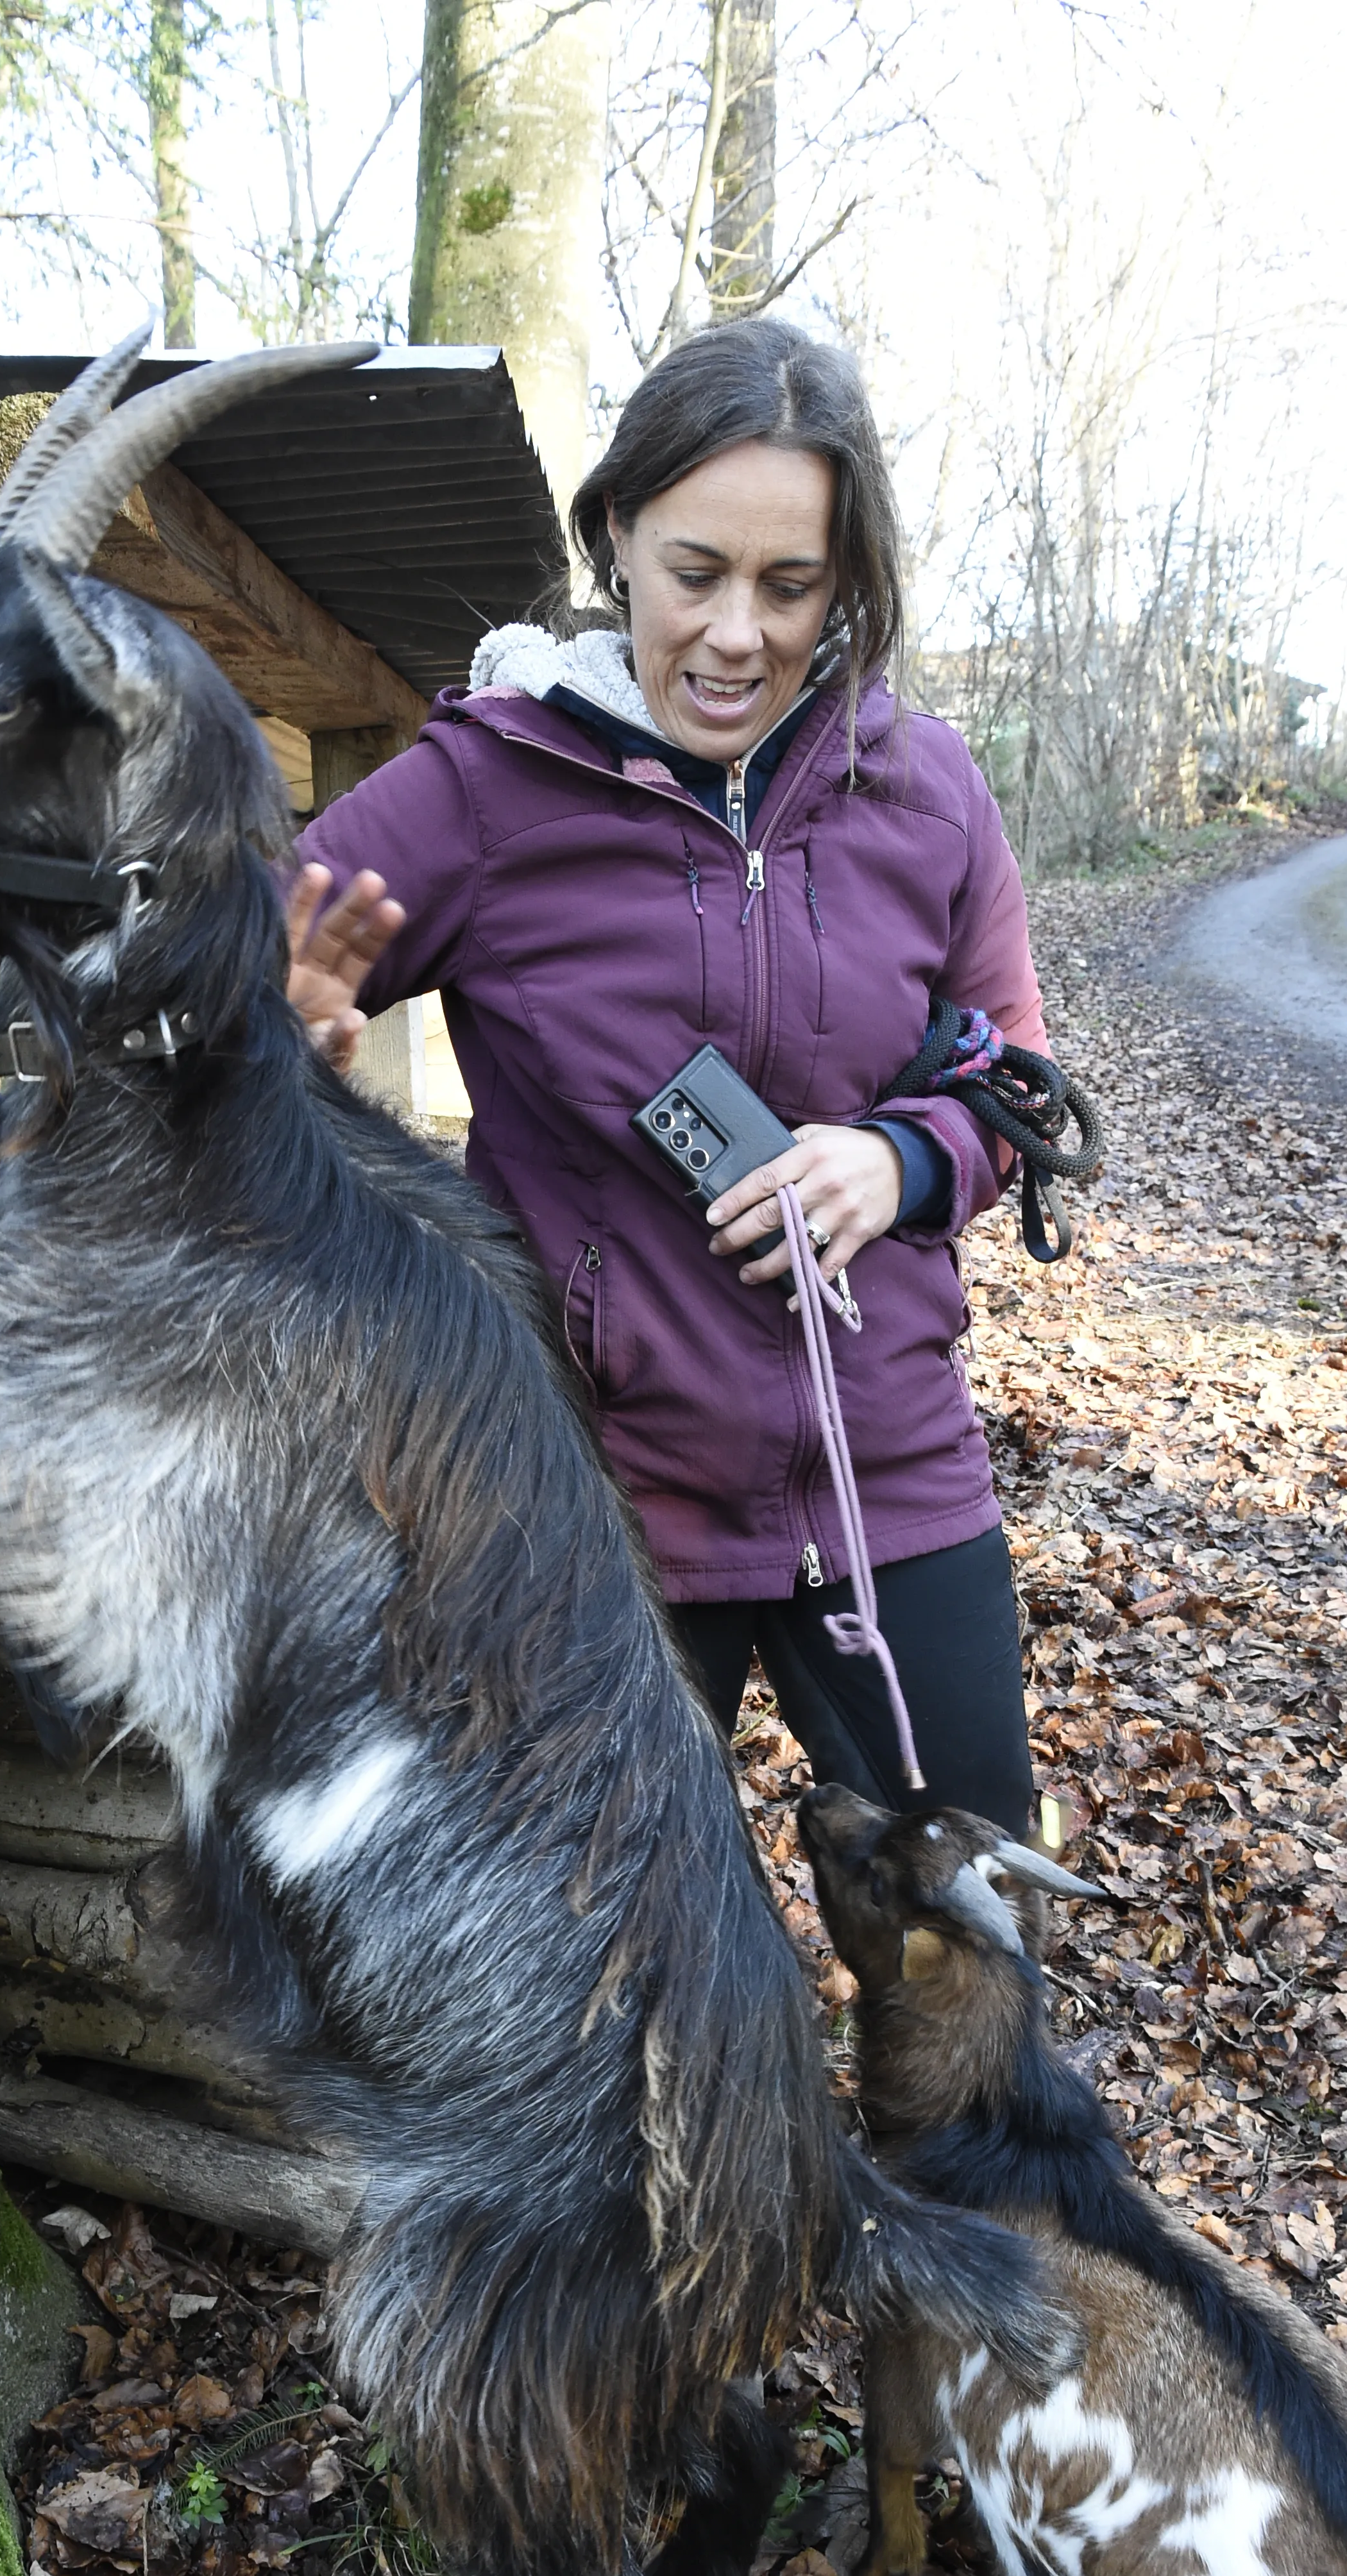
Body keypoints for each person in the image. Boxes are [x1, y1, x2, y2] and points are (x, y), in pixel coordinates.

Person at [285, 318, 1046, 1835]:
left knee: (971, 1969)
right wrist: (281, 1035)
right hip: (588, 1505)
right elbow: (242, 977)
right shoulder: (486, 785)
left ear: (849, 580)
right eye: (694, 572)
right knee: (593, 1990)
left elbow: (1013, 1075)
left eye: (789, 586)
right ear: (617, 535)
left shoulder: (924, 788)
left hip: (888, 1483)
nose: (734, 636)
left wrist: (890, 1165)